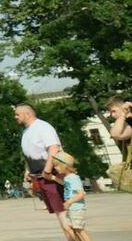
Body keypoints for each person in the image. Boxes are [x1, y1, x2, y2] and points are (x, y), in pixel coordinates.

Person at [16, 103, 69, 239]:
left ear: (27, 114)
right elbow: (29, 153)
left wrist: (47, 170)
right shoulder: (26, 131)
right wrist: (27, 171)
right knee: (60, 215)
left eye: (17, 114)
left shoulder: (42, 127)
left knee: (65, 216)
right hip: (39, 176)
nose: (15, 117)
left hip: (52, 174)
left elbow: (53, 148)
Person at [49, 150, 92, 241]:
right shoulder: (68, 178)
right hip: (72, 209)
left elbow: (81, 194)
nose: (55, 168)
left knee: (80, 230)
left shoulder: (73, 178)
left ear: (65, 165)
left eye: (56, 165)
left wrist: (69, 202)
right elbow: (65, 184)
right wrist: (54, 178)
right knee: (74, 229)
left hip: (77, 208)